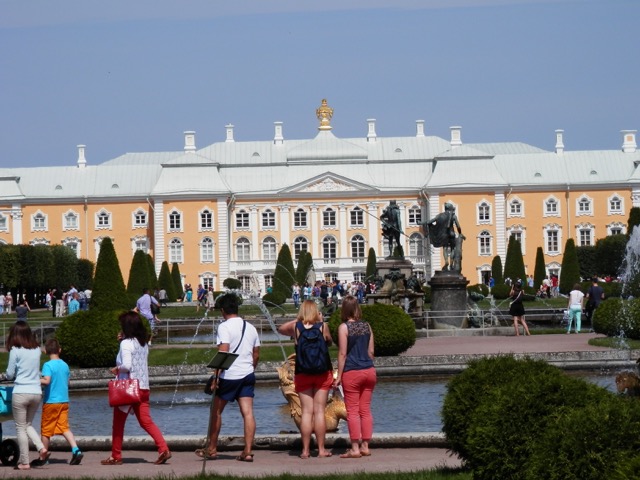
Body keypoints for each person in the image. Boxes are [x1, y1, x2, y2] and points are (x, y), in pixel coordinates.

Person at [195, 293, 260, 462]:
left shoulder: (224, 327)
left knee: (216, 411)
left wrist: (216, 376)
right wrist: (250, 368)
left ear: (223, 310)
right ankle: (247, 451)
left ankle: (212, 448)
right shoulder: (250, 327)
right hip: (247, 374)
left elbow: (223, 351)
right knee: (248, 413)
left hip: (229, 375)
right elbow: (256, 354)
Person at [101, 311, 171, 465]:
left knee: (118, 424)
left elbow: (127, 365)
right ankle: (163, 448)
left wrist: (116, 369)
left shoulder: (126, 344)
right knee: (146, 422)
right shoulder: (143, 343)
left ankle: (115, 456)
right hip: (144, 386)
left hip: (128, 388)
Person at [277, 300, 334, 459]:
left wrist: (299, 320)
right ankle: (322, 450)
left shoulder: (296, 328)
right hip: (322, 373)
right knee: (320, 412)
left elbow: (280, 329)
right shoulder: (323, 326)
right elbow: (329, 342)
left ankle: (305, 451)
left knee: (307, 412)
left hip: (303, 374)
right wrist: (320, 321)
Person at [0, 321, 49, 469]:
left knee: (20, 427)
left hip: (21, 391)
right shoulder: (36, 350)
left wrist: (2, 376)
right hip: (36, 392)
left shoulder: (15, 350)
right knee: (27, 425)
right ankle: (41, 448)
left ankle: (25, 461)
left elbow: (10, 374)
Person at [334, 295, 377, 459]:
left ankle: (354, 448)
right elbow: (371, 352)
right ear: (357, 308)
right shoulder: (367, 326)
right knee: (365, 410)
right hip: (369, 371)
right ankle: (365, 446)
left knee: (352, 411)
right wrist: (366, 364)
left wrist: (338, 375)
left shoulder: (344, 328)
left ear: (344, 310)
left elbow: (343, 354)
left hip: (352, 372)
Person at [40, 339, 83, 465]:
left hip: (51, 402)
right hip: (64, 401)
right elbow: (68, 382)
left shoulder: (47, 365)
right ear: (60, 350)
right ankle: (76, 449)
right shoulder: (65, 365)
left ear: (46, 351)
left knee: (46, 430)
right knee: (64, 427)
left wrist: (35, 380)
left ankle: (43, 457)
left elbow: (47, 381)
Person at [422, 202, 465, 272]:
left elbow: (430, 221)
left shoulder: (440, 215)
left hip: (444, 235)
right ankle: (451, 264)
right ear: (450, 208)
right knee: (453, 249)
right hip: (451, 234)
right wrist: (460, 233)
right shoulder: (453, 216)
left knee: (445, 248)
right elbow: (458, 226)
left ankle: (446, 262)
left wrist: (423, 223)